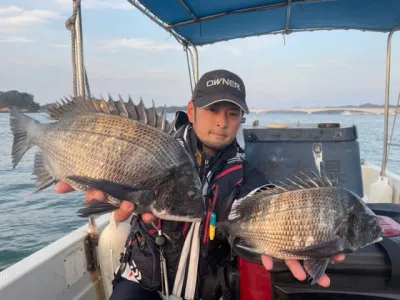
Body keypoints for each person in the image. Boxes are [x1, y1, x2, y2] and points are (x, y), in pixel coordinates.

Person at [55, 69, 345, 299]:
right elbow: (110, 170)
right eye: (213, 110)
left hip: (211, 288)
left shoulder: (247, 175)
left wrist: (310, 232)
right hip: (142, 278)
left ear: (241, 119)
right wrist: (85, 166)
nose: (222, 122)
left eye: (232, 114)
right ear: (191, 112)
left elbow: (267, 206)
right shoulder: (157, 148)